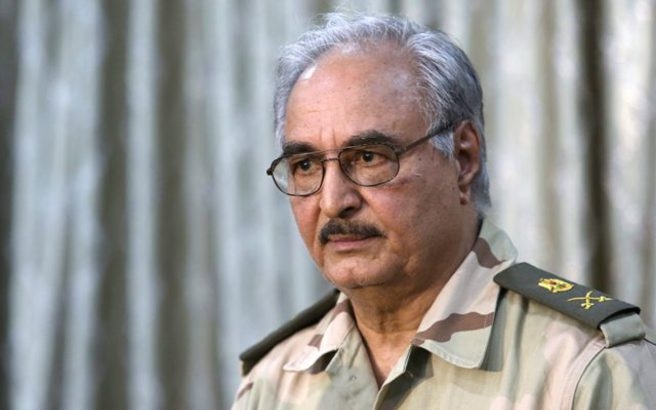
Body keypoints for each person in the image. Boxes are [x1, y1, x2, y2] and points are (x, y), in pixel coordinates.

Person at [232, 12, 656, 409]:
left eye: (368, 158)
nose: (333, 201)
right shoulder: (273, 384)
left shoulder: (586, 368)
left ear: (463, 158)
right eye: (306, 165)